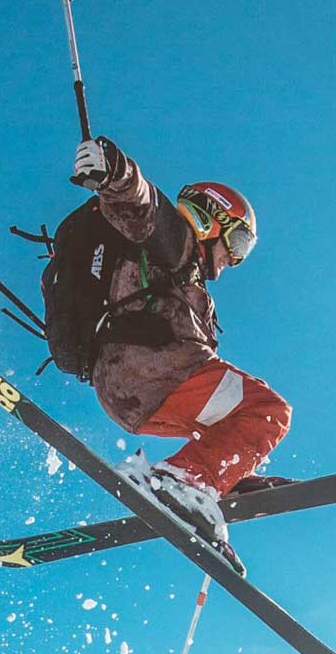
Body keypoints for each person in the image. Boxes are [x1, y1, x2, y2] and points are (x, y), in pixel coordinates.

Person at [71, 135, 291, 569]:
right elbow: (141, 205)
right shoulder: (175, 241)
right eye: (239, 243)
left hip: (130, 392)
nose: (233, 261)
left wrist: (234, 469)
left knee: (232, 418)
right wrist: (114, 169)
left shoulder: (189, 280)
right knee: (268, 410)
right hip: (155, 370)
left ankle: (216, 477)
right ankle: (183, 480)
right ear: (211, 218)